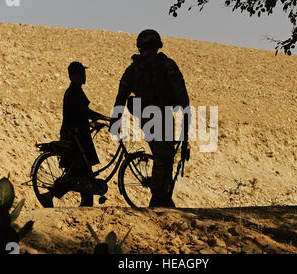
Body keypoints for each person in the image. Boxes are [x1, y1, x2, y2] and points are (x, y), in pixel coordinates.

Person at [110, 29, 191, 207]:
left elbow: (120, 97)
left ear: (140, 48)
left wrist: (115, 121)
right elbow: (184, 100)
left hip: (148, 117)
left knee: (164, 156)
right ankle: (158, 199)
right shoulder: (167, 66)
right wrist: (186, 133)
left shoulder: (134, 69)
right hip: (160, 116)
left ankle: (164, 198)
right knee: (164, 156)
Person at [40, 61, 110, 207]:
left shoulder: (76, 91)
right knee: (82, 171)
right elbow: (85, 112)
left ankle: (51, 196)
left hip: (79, 134)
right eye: (80, 73)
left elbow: (79, 114)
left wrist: (91, 123)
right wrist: (106, 118)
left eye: (83, 73)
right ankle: (54, 196)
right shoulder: (73, 92)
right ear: (72, 76)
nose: (84, 75)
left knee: (79, 172)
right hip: (75, 136)